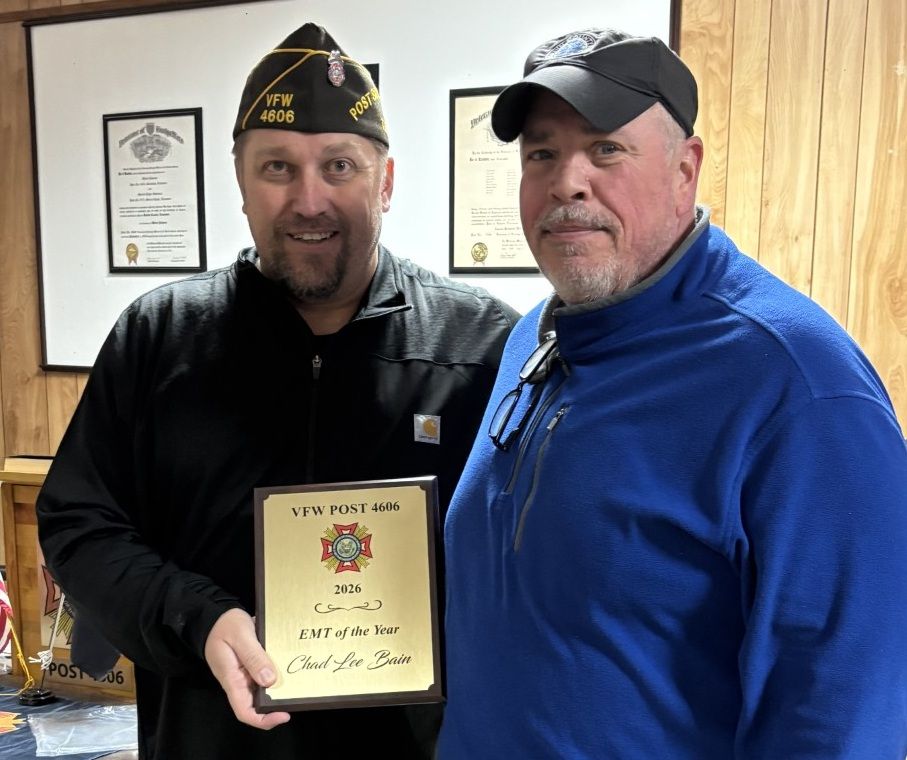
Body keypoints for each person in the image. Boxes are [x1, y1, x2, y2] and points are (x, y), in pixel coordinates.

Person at [36, 22, 519, 760]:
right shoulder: (159, 339)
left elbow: (532, 554)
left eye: (339, 166)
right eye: (277, 168)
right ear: (240, 184)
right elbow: (80, 523)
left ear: (386, 182)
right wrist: (197, 618)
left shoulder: (482, 347)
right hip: (208, 742)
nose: (308, 199)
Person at [438, 27, 907, 759]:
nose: (566, 182)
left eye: (605, 149)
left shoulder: (799, 385)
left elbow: (846, 714)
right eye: (541, 154)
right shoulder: (535, 334)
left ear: (685, 169)